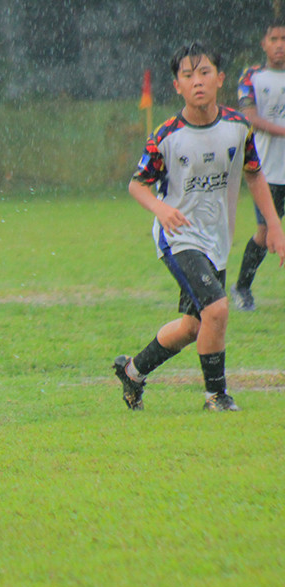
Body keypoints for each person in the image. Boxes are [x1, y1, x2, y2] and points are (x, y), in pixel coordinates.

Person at [114, 42, 285, 412]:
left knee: (194, 326)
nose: (197, 82)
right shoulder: (166, 135)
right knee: (218, 310)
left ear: (220, 79)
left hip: (216, 239)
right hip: (178, 237)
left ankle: (132, 371)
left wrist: (274, 224)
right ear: (176, 85)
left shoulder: (238, 128)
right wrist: (161, 209)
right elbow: (136, 184)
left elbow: (254, 175)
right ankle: (216, 396)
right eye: (187, 76)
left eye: (204, 72)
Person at [231, 18, 285, 311]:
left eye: (284, 39)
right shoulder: (252, 76)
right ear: (264, 43)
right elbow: (250, 117)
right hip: (269, 172)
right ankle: (242, 287)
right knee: (265, 234)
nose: (279, 45)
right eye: (274, 39)